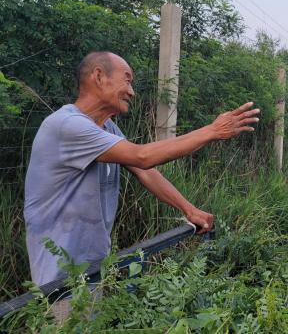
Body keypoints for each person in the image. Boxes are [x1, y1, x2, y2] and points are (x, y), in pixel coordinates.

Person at [24, 51, 260, 286]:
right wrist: (212, 131)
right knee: (65, 324)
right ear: (98, 76)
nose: (131, 91)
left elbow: (144, 170)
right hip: (59, 277)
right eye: (126, 80)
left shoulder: (106, 128)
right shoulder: (68, 126)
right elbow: (142, 156)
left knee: (89, 321)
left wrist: (189, 209)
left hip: (91, 267)